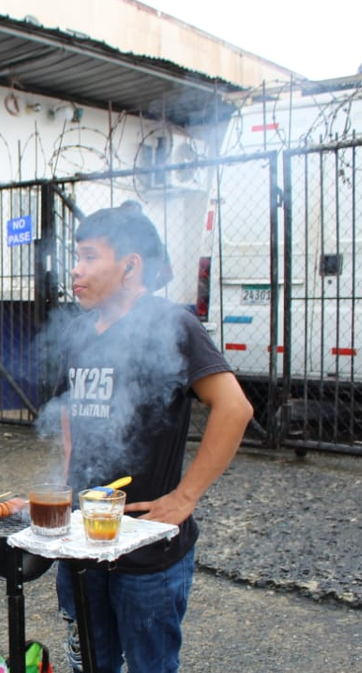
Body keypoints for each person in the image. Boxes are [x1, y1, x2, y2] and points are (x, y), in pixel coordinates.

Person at [52, 202, 254, 673]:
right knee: (90, 663)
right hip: (82, 539)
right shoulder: (78, 332)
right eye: (76, 257)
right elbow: (67, 411)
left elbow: (235, 408)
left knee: (151, 665)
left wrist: (185, 496)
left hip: (147, 549)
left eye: (89, 257)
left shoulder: (172, 324)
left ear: (130, 265)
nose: (76, 270)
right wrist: (65, 483)